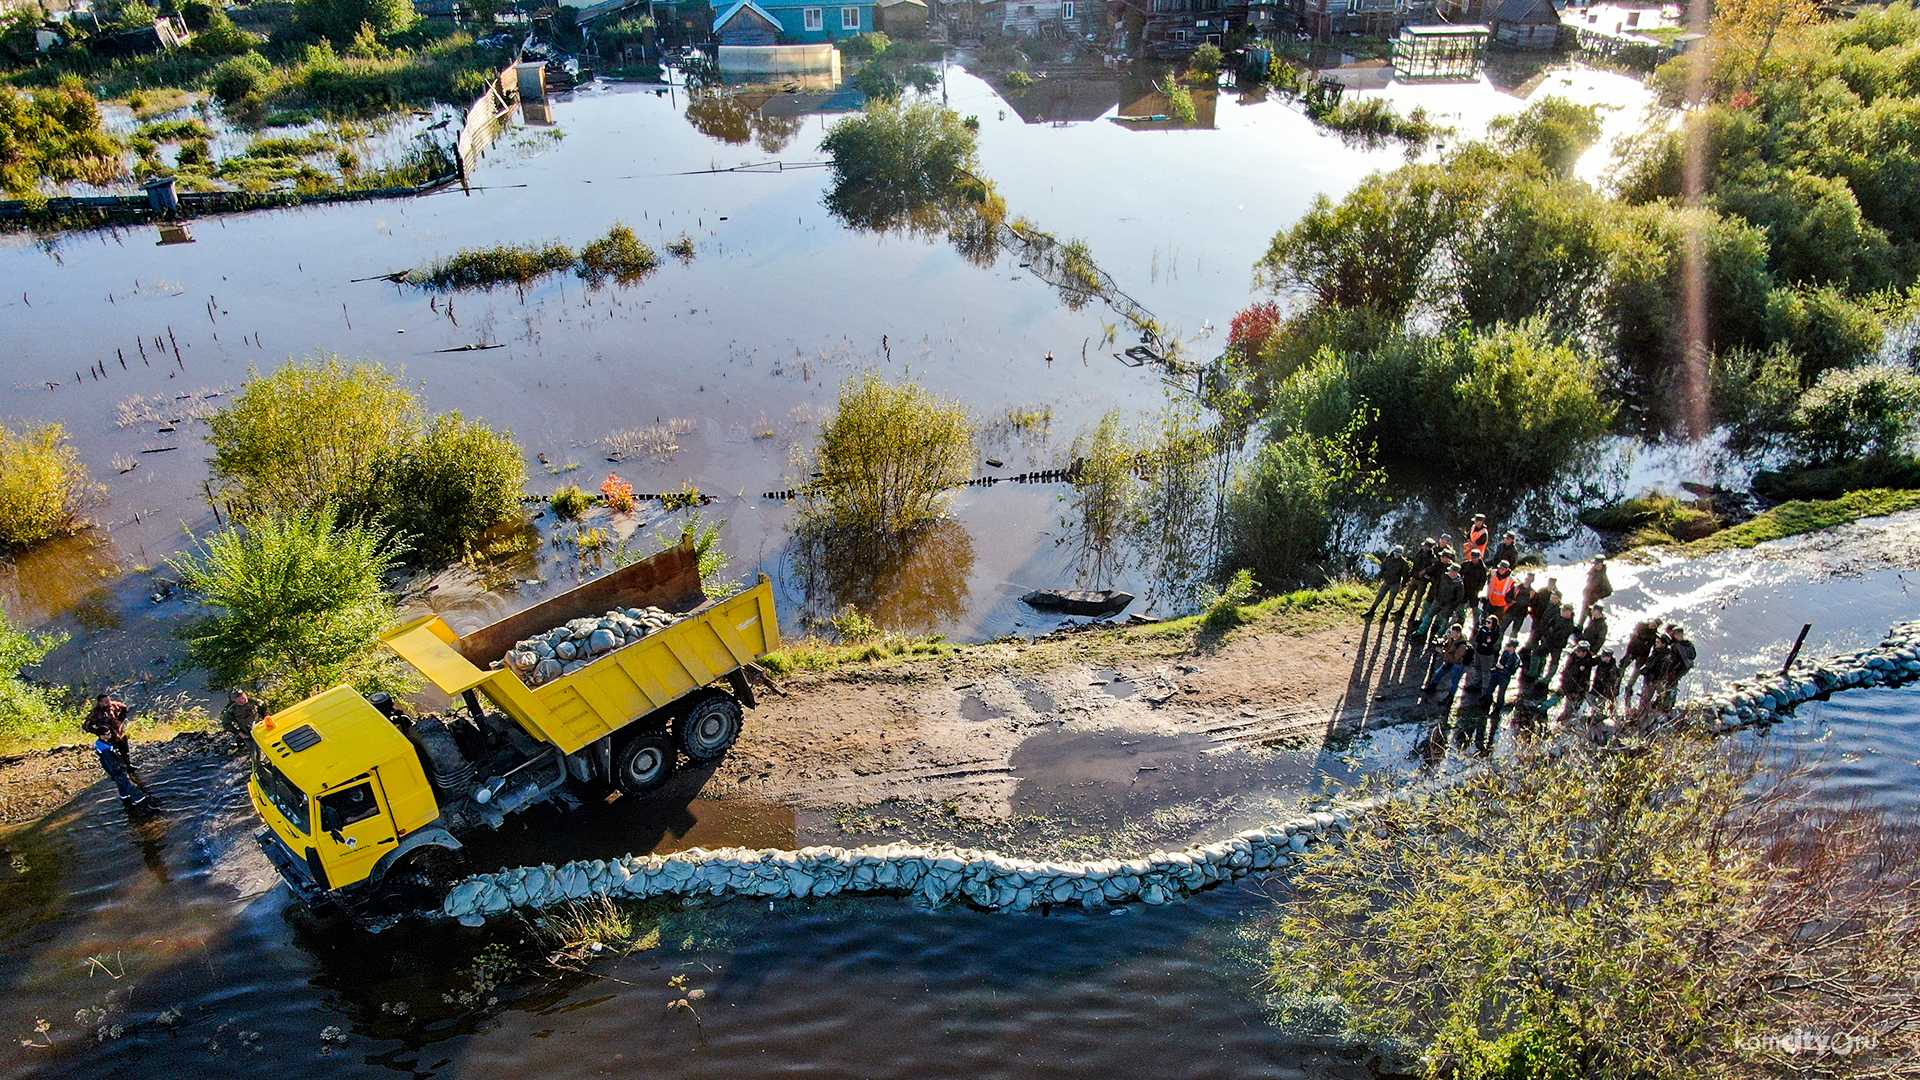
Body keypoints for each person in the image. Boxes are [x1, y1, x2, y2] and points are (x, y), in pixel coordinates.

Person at [82, 693, 148, 808]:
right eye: (106, 701)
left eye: (109, 700)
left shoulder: (114, 706)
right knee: (114, 757)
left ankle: (128, 766)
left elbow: (125, 708)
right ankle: (121, 773)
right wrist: (99, 731)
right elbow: (86, 725)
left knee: (125, 752)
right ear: (100, 702)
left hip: (120, 734)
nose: (108, 702)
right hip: (109, 737)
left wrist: (120, 720)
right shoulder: (95, 713)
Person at [1639, 624, 1698, 715]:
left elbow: (1674, 659)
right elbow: (1693, 656)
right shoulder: (1689, 645)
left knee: (1667, 688)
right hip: (1680, 670)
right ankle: (1666, 707)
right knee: (1670, 688)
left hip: (1674, 670)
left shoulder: (1676, 646)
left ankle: (1663, 708)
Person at [1422, 624, 1473, 705]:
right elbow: (1447, 646)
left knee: (1454, 681)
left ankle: (1450, 697)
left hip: (1457, 664)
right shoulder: (1452, 639)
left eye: (1453, 633)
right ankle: (1433, 686)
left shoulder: (1462, 645)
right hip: (1449, 661)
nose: (1451, 635)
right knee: (1439, 673)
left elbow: (1455, 658)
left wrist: (1443, 652)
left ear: (1458, 633)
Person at [1415, 566, 1466, 644]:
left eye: (1451, 571)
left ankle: (1438, 637)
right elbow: (1436, 586)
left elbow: (1458, 599)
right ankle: (1421, 632)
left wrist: (1451, 607)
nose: (1449, 572)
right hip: (1438, 601)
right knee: (1428, 616)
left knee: (1444, 622)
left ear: (1456, 572)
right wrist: (1436, 597)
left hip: (1448, 606)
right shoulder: (1444, 577)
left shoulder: (1459, 584)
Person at [1553, 641, 1598, 722]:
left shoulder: (1586, 663)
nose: (1577, 652)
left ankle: (1566, 723)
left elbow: (1583, 679)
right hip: (1567, 685)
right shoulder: (1573, 657)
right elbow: (1567, 671)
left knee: (1572, 710)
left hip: (1576, 691)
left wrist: (1578, 691)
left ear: (1584, 652)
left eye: (1579, 651)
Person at [1365, 545, 1411, 621]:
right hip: (1386, 581)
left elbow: (1405, 575)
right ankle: (1371, 611)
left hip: (1395, 583)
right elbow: (1383, 568)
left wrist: (1402, 585)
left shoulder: (1403, 563)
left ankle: (1386, 614)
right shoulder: (1388, 558)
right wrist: (1379, 577)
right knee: (1379, 596)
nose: (1397, 555)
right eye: (1396, 553)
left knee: (1391, 599)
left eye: (1399, 554)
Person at [1620, 617, 1662, 700]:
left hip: (1642, 655)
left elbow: (1655, 648)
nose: (1653, 625)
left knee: (1636, 672)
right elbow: (1634, 635)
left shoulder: (1654, 636)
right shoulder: (1641, 626)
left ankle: (1629, 687)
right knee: (1622, 667)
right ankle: (1616, 682)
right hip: (1632, 651)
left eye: (1655, 625)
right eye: (1653, 623)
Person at [1483, 640, 1521, 709]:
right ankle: (1486, 702)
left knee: (1501, 693)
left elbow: (1512, 672)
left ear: (1514, 648)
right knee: (1489, 689)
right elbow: (1501, 661)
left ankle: (1498, 707)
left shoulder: (1516, 659)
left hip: (1504, 677)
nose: (1507, 648)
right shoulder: (1505, 653)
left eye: (1509, 646)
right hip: (1497, 674)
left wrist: (1504, 669)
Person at [1589, 650, 1622, 726]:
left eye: (1605, 657)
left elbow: (1614, 682)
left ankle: (1597, 719)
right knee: (1590, 698)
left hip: (1604, 691)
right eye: (1603, 656)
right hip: (1596, 686)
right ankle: (1595, 715)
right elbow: (1592, 661)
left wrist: (1610, 692)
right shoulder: (1600, 661)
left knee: (1600, 706)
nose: (1603, 658)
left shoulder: (1612, 668)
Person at [1470, 614, 1501, 691]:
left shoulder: (1495, 632)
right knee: (1477, 668)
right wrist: (1483, 643)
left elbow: (1490, 643)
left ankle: (1485, 688)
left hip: (1487, 655)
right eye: (1486, 621)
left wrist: (1488, 637)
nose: (1486, 623)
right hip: (1479, 651)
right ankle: (1476, 683)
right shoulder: (1483, 629)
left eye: (1489, 622)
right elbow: (1478, 639)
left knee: (1485, 672)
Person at [1501, 571, 1534, 641]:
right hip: (1511, 611)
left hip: (1521, 615)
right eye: (1528, 579)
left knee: (1514, 633)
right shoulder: (1516, 588)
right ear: (1525, 579)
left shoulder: (1532, 592)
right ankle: (1496, 647)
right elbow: (1507, 597)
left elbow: (1533, 603)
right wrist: (1511, 601)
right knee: (1501, 630)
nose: (1528, 581)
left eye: (1531, 580)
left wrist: (1529, 608)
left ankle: (1510, 648)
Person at [1581, 556, 1614, 625]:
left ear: (1602, 564)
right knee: (1583, 615)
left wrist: (1596, 596)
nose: (1597, 565)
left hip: (1594, 601)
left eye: (1598, 564)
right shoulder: (1592, 572)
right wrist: (1585, 591)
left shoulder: (1602, 575)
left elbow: (1608, 590)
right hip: (1587, 598)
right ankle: (1579, 629)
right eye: (1595, 564)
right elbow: (1589, 584)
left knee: (1593, 619)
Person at [1459, 550, 1488, 617]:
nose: (1474, 559)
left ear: (1479, 557)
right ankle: (1461, 619)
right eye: (1472, 557)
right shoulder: (1466, 564)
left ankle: (1476, 623)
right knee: (1461, 606)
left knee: (1475, 608)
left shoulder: (1482, 568)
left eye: (1475, 557)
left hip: (1474, 590)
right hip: (1465, 588)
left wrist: (1478, 590)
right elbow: (1460, 573)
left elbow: (1483, 580)